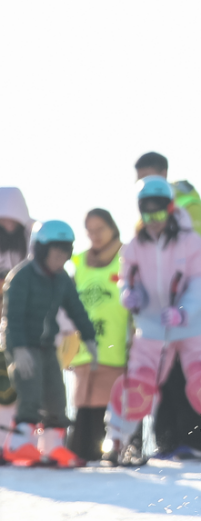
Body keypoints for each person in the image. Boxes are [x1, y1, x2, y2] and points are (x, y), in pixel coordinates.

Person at [106, 177, 201, 463]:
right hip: (152, 325)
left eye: (159, 211)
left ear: (170, 208)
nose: (154, 219)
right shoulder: (135, 246)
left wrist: (183, 310)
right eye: (147, 212)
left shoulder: (189, 241)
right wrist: (129, 295)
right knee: (138, 381)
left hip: (192, 324)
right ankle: (116, 440)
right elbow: (126, 278)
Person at [134, 152, 201, 458]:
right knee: (163, 376)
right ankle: (168, 441)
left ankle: (197, 440)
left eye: (149, 176)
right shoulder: (147, 211)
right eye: (140, 179)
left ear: (164, 173)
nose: (143, 183)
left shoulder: (187, 205)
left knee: (192, 373)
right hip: (159, 311)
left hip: (189, 310)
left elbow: (193, 256)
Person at [2, 221, 99, 467]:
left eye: (65, 254)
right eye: (56, 254)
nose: (61, 259)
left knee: (56, 394)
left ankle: (53, 447)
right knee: (31, 391)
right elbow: (12, 316)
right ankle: (19, 445)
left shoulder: (61, 279)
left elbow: (75, 308)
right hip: (24, 346)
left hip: (46, 346)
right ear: (41, 250)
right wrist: (19, 348)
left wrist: (89, 336)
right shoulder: (22, 276)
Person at [66, 210, 129, 461]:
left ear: (112, 227)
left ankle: (117, 451)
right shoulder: (80, 261)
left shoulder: (127, 257)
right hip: (84, 348)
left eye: (100, 229)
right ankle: (82, 452)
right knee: (83, 403)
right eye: (90, 231)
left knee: (114, 403)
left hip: (116, 345)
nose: (95, 236)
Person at [0, 187, 34, 446]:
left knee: (26, 382)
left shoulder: (35, 238)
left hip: (28, 324)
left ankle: (23, 444)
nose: (7, 225)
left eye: (12, 220)